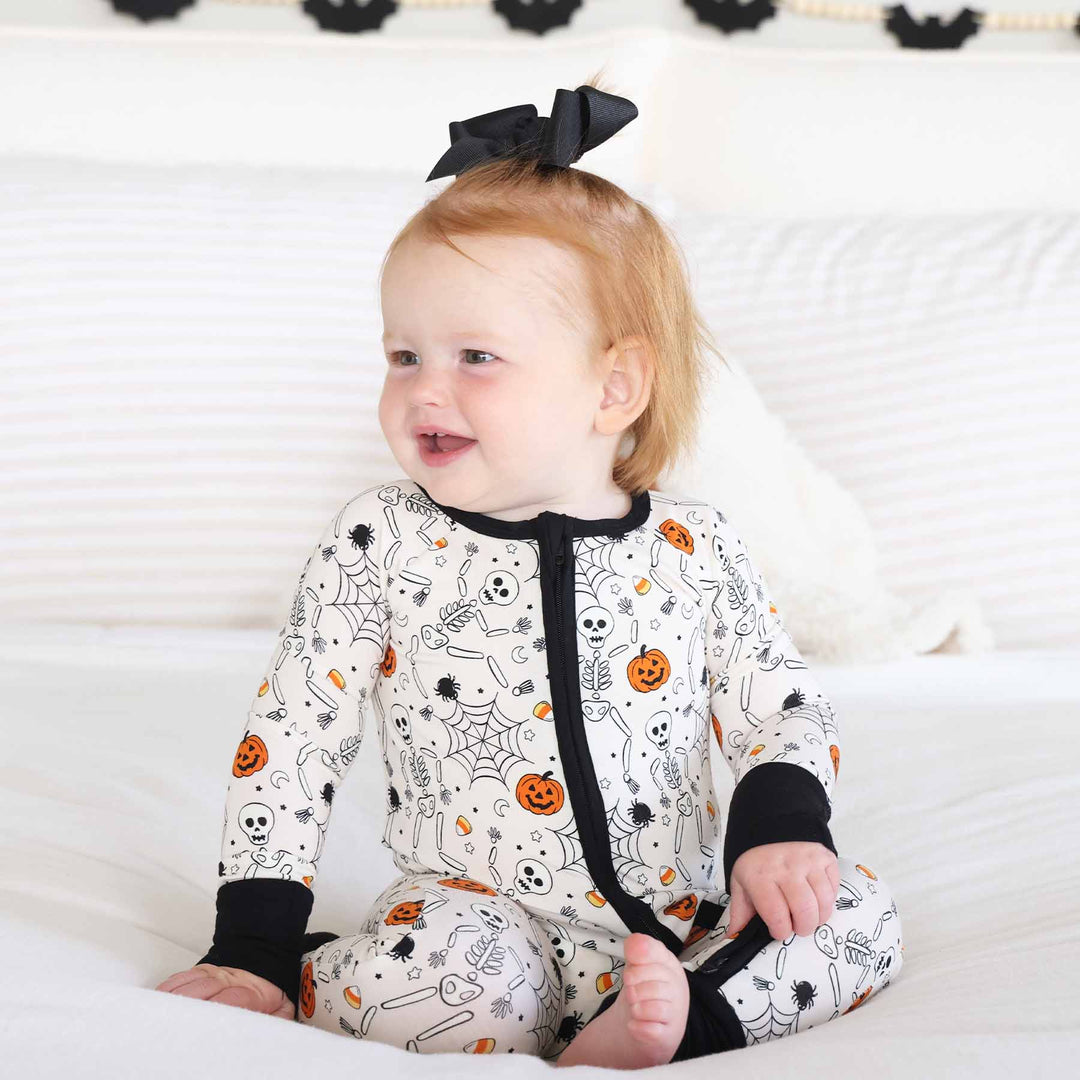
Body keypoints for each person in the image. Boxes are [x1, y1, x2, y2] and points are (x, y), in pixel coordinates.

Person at [154, 78, 904, 1066]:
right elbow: (294, 739)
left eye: (475, 356)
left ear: (614, 385)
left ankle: (680, 1019)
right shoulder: (380, 541)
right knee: (437, 982)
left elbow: (780, 706)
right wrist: (251, 945)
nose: (425, 389)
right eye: (403, 354)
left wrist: (779, 831)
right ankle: (326, 975)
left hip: (679, 922)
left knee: (855, 914)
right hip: (476, 925)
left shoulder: (695, 549)